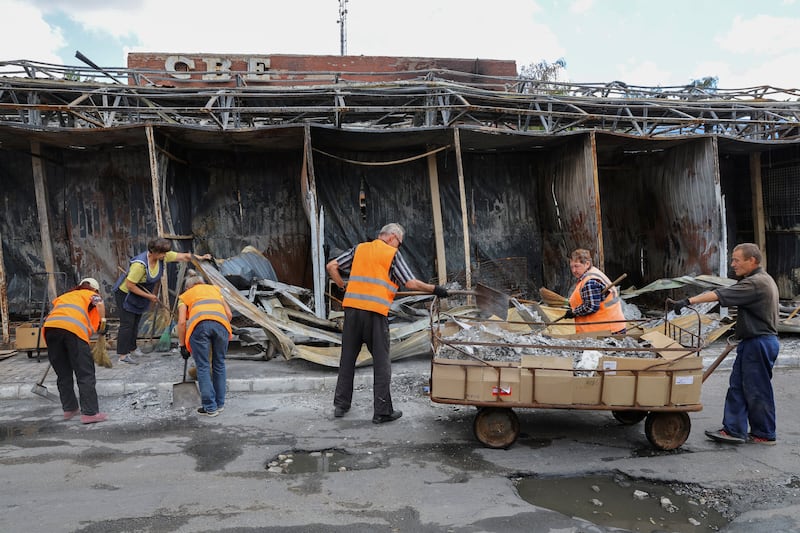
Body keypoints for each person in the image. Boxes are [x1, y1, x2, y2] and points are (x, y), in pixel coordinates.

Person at [326, 222, 449, 424]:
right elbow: (410, 283)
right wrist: (436, 289)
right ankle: (382, 412)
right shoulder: (391, 254)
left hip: (352, 311)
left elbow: (332, 266)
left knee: (347, 358)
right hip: (374, 314)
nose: (398, 247)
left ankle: (341, 405)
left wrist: (342, 285)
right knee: (382, 363)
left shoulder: (360, 248)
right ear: (392, 237)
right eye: (399, 243)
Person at [671, 242, 780, 445]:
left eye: (737, 260)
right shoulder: (759, 280)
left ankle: (764, 434)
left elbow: (721, 295)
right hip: (753, 342)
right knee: (738, 387)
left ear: (752, 260)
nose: (732, 265)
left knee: (757, 390)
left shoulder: (756, 283)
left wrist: (688, 302)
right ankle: (734, 430)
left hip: (759, 343)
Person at [113, 238, 211, 365]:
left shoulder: (162, 256)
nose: (165, 256)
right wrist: (149, 296)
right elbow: (130, 285)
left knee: (136, 321)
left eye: (165, 253)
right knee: (127, 324)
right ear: (153, 252)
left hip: (140, 293)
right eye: (162, 253)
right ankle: (122, 355)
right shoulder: (140, 265)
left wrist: (201, 257)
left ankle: (132, 348)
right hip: (126, 294)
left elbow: (185, 256)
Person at [42, 278, 108, 424]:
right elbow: (100, 303)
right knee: (85, 372)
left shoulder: (65, 296)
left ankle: (69, 409)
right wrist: (103, 323)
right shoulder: (90, 294)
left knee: (63, 373)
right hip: (73, 330)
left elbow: (53, 315)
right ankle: (90, 413)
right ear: (95, 289)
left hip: (51, 330)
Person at [176, 275, 233, 417]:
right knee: (219, 364)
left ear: (189, 287)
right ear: (201, 283)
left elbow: (182, 323)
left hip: (200, 327)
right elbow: (229, 314)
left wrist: (182, 345)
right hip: (222, 326)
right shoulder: (215, 290)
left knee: (203, 366)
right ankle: (219, 405)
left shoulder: (185, 296)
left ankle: (210, 407)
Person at [563, 248, 627, 334]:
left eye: (577, 266)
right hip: (613, 326)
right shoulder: (592, 274)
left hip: (605, 330)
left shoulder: (590, 281)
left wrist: (574, 312)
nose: (574, 270)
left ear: (587, 264)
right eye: (572, 267)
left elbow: (591, 306)